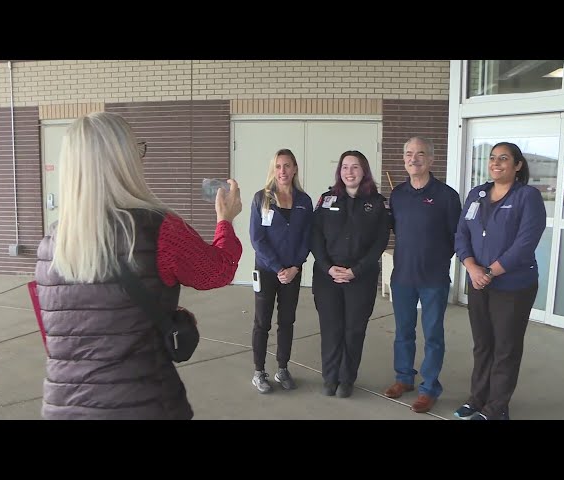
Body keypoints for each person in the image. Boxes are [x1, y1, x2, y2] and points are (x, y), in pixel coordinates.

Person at [35, 111, 242, 420]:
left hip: (64, 407)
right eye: (137, 149)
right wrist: (225, 220)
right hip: (141, 405)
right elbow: (218, 271)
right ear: (124, 161)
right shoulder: (159, 229)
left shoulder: (51, 244)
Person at [454, 142, 546, 420]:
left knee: (505, 348)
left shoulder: (527, 196)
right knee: (483, 345)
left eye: (504, 158)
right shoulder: (477, 194)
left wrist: (490, 272)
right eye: (493, 158)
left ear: (517, 165)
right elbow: (461, 234)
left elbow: (525, 244)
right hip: (478, 281)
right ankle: (477, 399)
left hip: (513, 286)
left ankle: (496, 409)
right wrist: (471, 267)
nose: (496, 163)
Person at [382, 137, 462, 414]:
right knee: (403, 332)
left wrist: (439, 261)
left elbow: (457, 236)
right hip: (402, 275)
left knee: (433, 335)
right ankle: (404, 378)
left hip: (433, 279)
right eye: (408, 153)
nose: (413, 158)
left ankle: (429, 389)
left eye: (420, 154)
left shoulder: (447, 196)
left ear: (431, 160)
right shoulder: (398, 195)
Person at [311, 150, 390, 398]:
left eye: (355, 167)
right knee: (331, 328)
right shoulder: (326, 199)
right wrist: (326, 267)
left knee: (354, 330)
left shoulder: (377, 203)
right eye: (345, 167)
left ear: (364, 171)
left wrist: (356, 270)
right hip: (327, 277)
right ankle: (330, 378)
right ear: (339, 171)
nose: (349, 172)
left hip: (361, 277)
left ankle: (347, 379)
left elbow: (380, 242)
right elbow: (314, 237)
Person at [248, 148, 313, 393]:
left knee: (287, 321)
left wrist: (295, 267)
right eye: (278, 166)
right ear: (273, 170)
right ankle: (259, 372)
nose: (282, 171)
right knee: (262, 322)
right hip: (266, 270)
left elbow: (307, 237)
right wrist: (278, 268)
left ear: (295, 168)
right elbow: (257, 239)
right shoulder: (261, 198)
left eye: (287, 166)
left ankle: (282, 368)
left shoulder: (304, 201)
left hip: (293, 273)